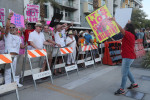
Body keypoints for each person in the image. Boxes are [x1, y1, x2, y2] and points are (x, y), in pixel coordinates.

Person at [109, 18, 138, 95]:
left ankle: (122, 89)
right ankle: (134, 84)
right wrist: (130, 23)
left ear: (127, 29)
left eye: (125, 27)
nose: (124, 28)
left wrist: (114, 21)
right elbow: (122, 39)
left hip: (128, 57)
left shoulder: (128, 34)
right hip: (129, 56)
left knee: (124, 73)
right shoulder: (130, 35)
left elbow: (121, 29)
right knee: (127, 71)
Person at [4, 12, 25, 87]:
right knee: (8, 71)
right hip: (8, 56)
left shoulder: (18, 37)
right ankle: (7, 84)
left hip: (16, 56)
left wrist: (26, 45)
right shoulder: (7, 35)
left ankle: (16, 82)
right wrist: (9, 18)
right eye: (10, 27)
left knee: (16, 70)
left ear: (16, 29)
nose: (11, 29)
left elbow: (21, 46)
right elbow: (7, 27)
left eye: (13, 27)